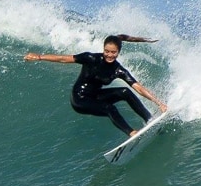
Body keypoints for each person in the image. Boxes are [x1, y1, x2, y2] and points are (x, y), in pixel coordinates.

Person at [24, 34, 168, 137]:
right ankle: (131, 132)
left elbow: (138, 88)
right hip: (79, 99)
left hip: (95, 96)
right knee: (109, 107)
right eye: (107, 51)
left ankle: (149, 120)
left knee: (125, 91)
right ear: (103, 49)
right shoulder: (91, 58)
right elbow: (63, 58)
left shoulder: (118, 69)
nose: (109, 55)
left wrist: (158, 103)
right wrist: (39, 57)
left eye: (113, 52)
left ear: (118, 52)